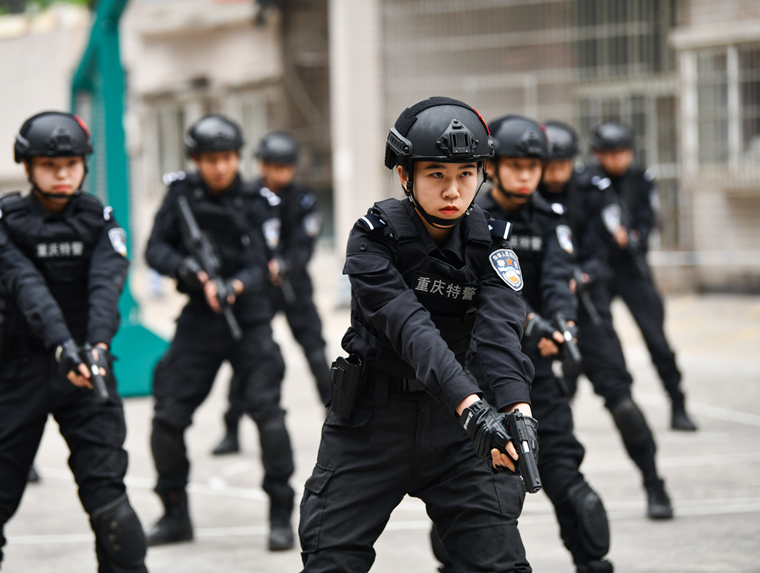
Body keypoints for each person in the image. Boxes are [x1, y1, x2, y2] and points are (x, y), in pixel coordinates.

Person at [298, 96, 538, 572]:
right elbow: (412, 329)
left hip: (457, 432)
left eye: (465, 174)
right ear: (405, 175)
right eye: (436, 175)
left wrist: (518, 411)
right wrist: (472, 408)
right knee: (330, 561)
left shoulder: (493, 242)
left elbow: (498, 337)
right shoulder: (374, 237)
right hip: (372, 422)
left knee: (501, 565)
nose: (453, 190)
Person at [0, 112, 147, 573]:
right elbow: (27, 286)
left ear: (84, 164)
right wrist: (61, 343)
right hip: (22, 370)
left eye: (72, 164)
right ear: (27, 166)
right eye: (49, 165)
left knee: (113, 510)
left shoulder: (100, 219)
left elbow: (106, 284)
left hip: (87, 369)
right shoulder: (2, 221)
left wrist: (96, 345)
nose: (62, 174)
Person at [144, 114, 296, 551]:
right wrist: (189, 271)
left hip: (248, 316)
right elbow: (155, 248)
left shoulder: (255, 200)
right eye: (211, 159)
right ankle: (174, 515)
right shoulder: (181, 197)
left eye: (228, 158)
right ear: (195, 160)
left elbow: (265, 262)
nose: (220, 167)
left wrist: (237, 284)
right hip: (200, 316)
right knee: (167, 415)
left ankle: (282, 516)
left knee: (268, 414)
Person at [470, 115, 613, 573]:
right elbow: (495, 290)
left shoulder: (551, 220)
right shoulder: (473, 220)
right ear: (493, 166)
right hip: (482, 373)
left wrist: (562, 327)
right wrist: (531, 323)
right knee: (479, 498)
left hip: (535, 374)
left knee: (571, 483)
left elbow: (556, 280)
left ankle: (592, 563)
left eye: (534, 166)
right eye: (516, 165)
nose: (527, 175)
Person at [541, 120, 674, 520]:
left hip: (588, 309)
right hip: (537, 315)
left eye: (561, 164)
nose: (553, 174)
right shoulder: (523, 201)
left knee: (621, 399)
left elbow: (604, 256)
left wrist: (579, 277)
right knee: (521, 408)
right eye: (546, 165)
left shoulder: (592, 192)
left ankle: (654, 483)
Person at [211, 130, 331, 456]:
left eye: (286, 167)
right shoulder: (246, 196)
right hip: (257, 289)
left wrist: (288, 264)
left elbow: (305, 244)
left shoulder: (302, 197)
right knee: (248, 357)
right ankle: (231, 428)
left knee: (316, 352)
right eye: (274, 166)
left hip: (294, 287)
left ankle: (339, 420)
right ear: (262, 165)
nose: (280, 173)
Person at [586, 122, 696, 432]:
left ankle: (678, 403)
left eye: (623, 152)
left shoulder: (641, 179)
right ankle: (563, 406)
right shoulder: (588, 181)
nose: (618, 159)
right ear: (598, 154)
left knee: (657, 340)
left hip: (633, 269)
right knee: (589, 337)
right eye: (611, 153)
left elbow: (651, 220)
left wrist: (633, 237)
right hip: (599, 271)